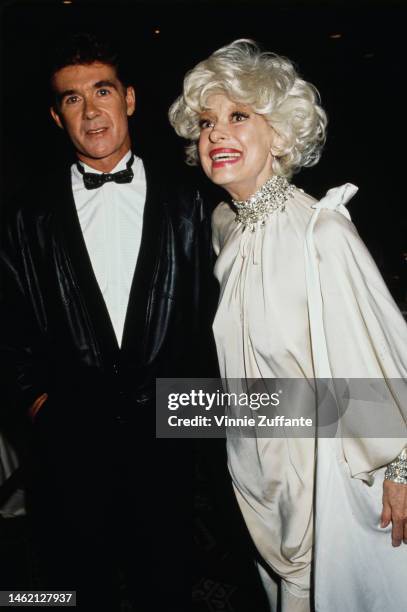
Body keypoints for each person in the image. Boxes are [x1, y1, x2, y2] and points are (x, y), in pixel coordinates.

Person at [169, 39, 407, 611]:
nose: (216, 134)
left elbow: (380, 353)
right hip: (259, 474)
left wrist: (401, 467)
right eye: (206, 122)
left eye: (238, 116)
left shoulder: (320, 234)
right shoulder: (226, 226)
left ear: (279, 134)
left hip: (328, 480)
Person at [0, 32, 215, 611]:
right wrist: (40, 407)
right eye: (72, 99)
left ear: (131, 99)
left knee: (165, 584)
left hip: (167, 443)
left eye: (102, 91)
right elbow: (8, 326)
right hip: (70, 444)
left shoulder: (191, 199)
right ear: (55, 114)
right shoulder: (28, 215)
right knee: (75, 586)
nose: (91, 111)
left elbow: (211, 320)